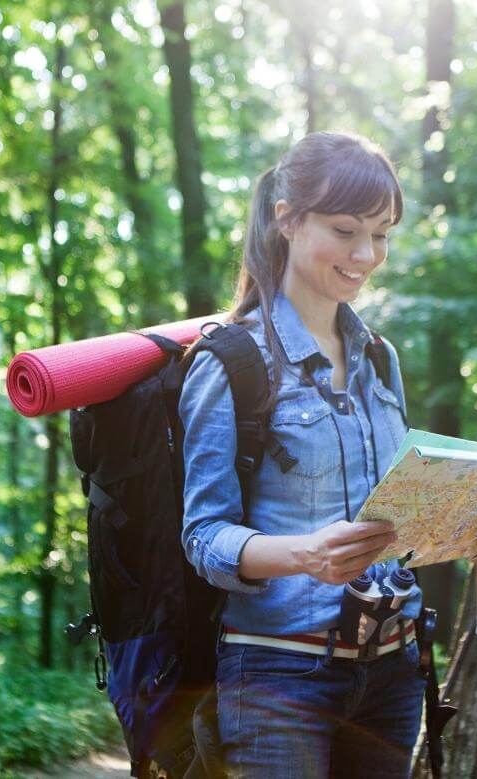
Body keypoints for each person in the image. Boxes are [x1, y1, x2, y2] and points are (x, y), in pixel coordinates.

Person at [179, 132, 425, 778]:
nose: (367, 254)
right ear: (287, 219)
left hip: (394, 669)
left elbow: (396, 510)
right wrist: (306, 555)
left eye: (381, 233)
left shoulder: (380, 357)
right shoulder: (231, 361)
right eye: (345, 230)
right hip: (278, 675)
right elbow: (204, 537)